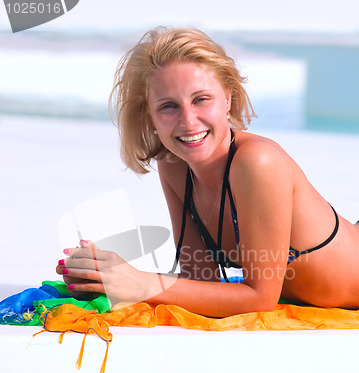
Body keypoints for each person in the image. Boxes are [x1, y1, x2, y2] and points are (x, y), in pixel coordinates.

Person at [56, 27, 359, 317]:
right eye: (168, 106)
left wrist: (140, 283)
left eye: (201, 99)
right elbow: (201, 279)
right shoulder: (174, 165)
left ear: (227, 97)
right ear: (149, 115)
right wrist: (108, 278)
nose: (188, 121)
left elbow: (260, 298)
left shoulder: (258, 162)